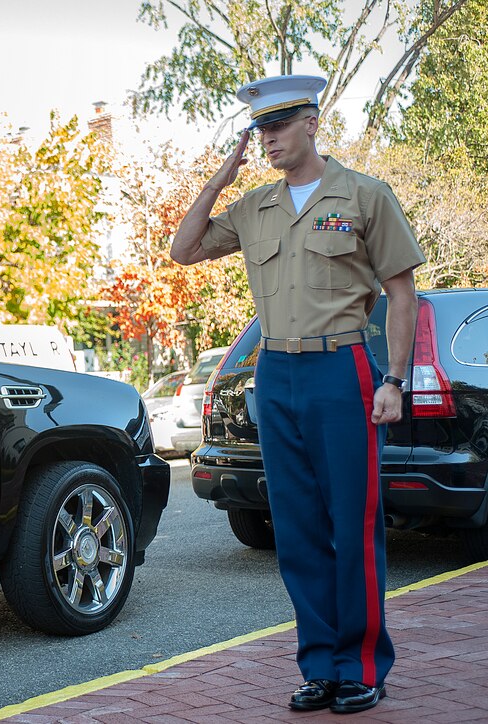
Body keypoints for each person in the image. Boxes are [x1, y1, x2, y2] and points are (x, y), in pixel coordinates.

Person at [171, 75, 425, 714]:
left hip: (342, 371)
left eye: (279, 125)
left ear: (312, 122)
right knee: (297, 529)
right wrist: (219, 180)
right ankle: (319, 665)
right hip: (275, 376)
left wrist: (395, 380)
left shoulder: (365, 196)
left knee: (354, 522)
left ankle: (361, 667)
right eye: (259, 129)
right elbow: (185, 249)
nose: (268, 139)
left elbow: (401, 295)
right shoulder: (254, 207)